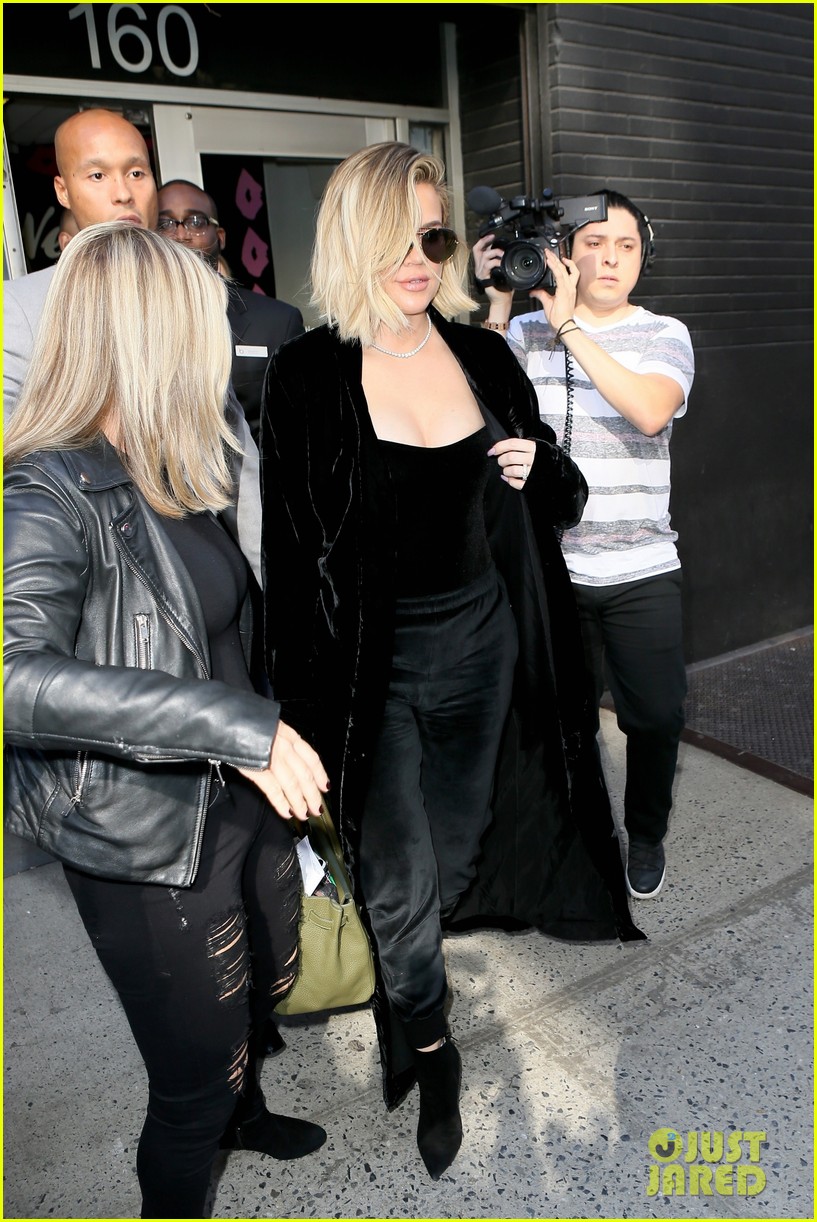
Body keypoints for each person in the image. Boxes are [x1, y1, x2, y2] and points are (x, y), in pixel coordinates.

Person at [258, 142, 643, 1183]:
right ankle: (430, 1049)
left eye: (433, 238)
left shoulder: (484, 357)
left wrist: (538, 467)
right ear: (352, 241)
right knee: (397, 874)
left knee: (458, 850)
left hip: (485, 650)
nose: (420, 261)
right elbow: (290, 563)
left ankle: (408, 983)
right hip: (371, 670)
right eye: (398, 240)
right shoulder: (308, 375)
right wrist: (291, 720)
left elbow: (560, 497)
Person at [3, 223, 330, 1220]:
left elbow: (220, 625)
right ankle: (210, 1129)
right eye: (205, 323)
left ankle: (244, 1109)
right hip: (145, 836)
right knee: (191, 1085)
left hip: (239, 803)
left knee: (264, 987)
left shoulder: (173, 461)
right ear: (149, 335)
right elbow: (12, 676)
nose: (222, 344)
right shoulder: (45, 486)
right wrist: (240, 726)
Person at [473, 189, 695, 901]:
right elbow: (476, 403)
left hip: (642, 568)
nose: (610, 259)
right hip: (552, 570)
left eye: (626, 246)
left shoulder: (664, 333)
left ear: (644, 257)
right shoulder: (526, 331)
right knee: (557, 720)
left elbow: (649, 409)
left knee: (654, 717)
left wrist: (567, 325)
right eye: (594, 243)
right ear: (565, 254)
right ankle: (571, 832)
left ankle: (646, 832)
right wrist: (500, 303)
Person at [2, 108, 264, 587]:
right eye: (98, 175)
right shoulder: (19, 309)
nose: (123, 192)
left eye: (137, 173)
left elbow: (235, 460)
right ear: (63, 190)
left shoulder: (191, 297)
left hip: (201, 566)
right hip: (93, 588)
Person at [157, 179, 305, 441]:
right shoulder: (130, 324)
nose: (181, 235)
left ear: (220, 237)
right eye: (164, 224)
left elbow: (298, 429)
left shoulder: (277, 322)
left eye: (196, 222)